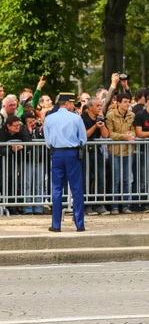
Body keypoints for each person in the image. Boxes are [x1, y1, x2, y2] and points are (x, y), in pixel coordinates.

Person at [43, 93, 87, 232]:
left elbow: (48, 141)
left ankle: (56, 224)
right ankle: (79, 224)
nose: (74, 106)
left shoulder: (49, 118)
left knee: (56, 189)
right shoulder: (76, 118)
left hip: (56, 153)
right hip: (72, 154)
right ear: (67, 103)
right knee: (76, 189)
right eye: (72, 103)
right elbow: (83, 139)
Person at [106, 93, 136, 214]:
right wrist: (124, 136)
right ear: (118, 102)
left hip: (129, 151)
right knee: (116, 179)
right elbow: (110, 134)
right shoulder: (110, 115)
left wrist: (132, 135)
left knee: (127, 179)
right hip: (115, 151)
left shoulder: (132, 115)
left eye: (129, 101)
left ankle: (126, 205)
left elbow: (134, 131)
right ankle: (114, 206)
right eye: (125, 101)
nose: (127, 104)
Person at [81, 97, 110, 216]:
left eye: (100, 106)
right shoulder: (82, 118)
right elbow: (84, 134)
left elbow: (106, 135)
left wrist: (101, 125)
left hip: (97, 151)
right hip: (86, 151)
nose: (99, 108)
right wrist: (95, 127)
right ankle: (86, 205)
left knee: (100, 177)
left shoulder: (100, 117)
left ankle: (99, 204)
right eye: (97, 106)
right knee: (86, 178)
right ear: (90, 108)